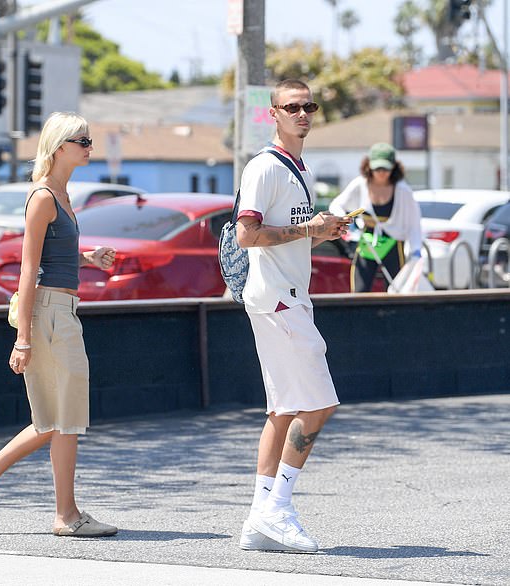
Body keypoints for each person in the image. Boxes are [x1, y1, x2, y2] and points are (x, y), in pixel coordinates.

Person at [0, 112, 118, 538]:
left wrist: (88, 258)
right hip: (49, 315)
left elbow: (53, 257)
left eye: (89, 139)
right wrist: (23, 339)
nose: (89, 147)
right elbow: (28, 271)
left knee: (54, 419)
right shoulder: (44, 197)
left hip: (62, 311)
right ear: (59, 146)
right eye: (82, 140)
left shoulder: (63, 196)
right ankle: (66, 516)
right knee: (65, 419)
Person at [235, 79, 350, 553]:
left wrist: (324, 232)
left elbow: (290, 235)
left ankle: (259, 520)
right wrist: (309, 226)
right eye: (292, 107)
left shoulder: (296, 167)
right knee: (319, 403)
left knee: (282, 410)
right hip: (279, 300)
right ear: (273, 114)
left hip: (284, 297)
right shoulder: (265, 166)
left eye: (309, 106)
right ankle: (277, 509)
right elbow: (247, 235)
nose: (303, 113)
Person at [329, 143, 422, 292]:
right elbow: (336, 205)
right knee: (359, 290)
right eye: (377, 168)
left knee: (396, 290)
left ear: (394, 167)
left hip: (394, 243)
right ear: (369, 166)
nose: (381, 173)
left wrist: (416, 250)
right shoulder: (360, 184)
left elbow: (414, 223)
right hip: (368, 242)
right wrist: (346, 222)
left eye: (386, 168)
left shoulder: (403, 190)